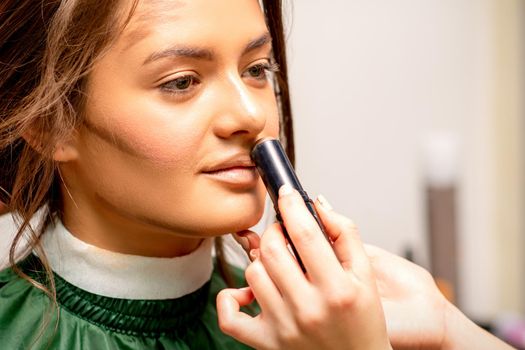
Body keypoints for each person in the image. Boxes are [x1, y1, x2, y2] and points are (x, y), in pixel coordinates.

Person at [0, 0, 391, 349]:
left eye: (256, 69)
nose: (251, 116)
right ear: (48, 123)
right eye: (182, 82)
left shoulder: (331, 327)